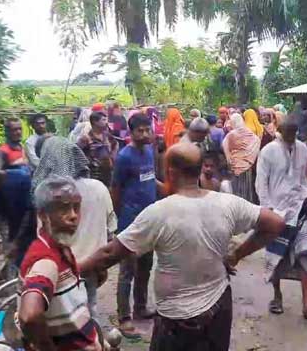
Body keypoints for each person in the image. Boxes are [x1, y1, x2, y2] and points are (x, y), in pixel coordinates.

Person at [79, 143, 284, 351]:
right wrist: (237, 254)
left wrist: (71, 270)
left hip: (176, 319)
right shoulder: (228, 204)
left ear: (170, 172)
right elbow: (275, 223)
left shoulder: (159, 213)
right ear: (199, 169)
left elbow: (110, 253)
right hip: (218, 310)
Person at [32, 136, 116, 320]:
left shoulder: (48, 196)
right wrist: (103, 266)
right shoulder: (99, 188)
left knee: (64, 318)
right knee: (90, 312)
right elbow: (110, 232)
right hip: (93, 266)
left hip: (61, 271)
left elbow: (44, 238)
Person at [18, 176, 103, 351]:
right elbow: (29, 316)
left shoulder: (60, 248)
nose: (73, 216)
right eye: (63, 209)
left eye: (76, 207)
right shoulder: (46, 261)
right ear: (43, 215)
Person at [256, 116, 307, 324]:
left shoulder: (302, 149)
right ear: (280, 132)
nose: (292, 138)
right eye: (288, 134)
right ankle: (277, 296)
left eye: (294, 134)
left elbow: (302, 179)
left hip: (301, 206)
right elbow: (261, 182)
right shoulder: (268, 151)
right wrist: (267, 209)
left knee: (305, 252)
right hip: (277, 210)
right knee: (276, 254)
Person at [111, 113, 158, 337]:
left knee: (146, 266)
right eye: (140, 130)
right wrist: (119, 218)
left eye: (148, 129)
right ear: (131, 132)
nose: (145, 134)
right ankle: (124, 317)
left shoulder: (149, 151)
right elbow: (116, 189)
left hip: (149, 219)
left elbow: (150, 179)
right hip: (130, 221)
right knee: (127, 270)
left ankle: (140, 307)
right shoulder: (124, 157)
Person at [222, 113, 261, 203]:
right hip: (248, 167)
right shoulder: (250, 133)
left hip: (235, 166)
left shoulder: (232, 134)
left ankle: (237, 207)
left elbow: (225, 145)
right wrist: (248, 156)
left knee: (236, 190)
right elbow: (257, 140)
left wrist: (230, 159)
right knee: (247, 190)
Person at [78, 111, 118, 187]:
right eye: (103, 120)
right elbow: (77, 153)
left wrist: (112, 157)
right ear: (95, 122)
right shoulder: (86, 138)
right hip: (93, 175)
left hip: (108, 174)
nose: (106, 122)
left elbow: (115, 144)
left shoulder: (107, 135)